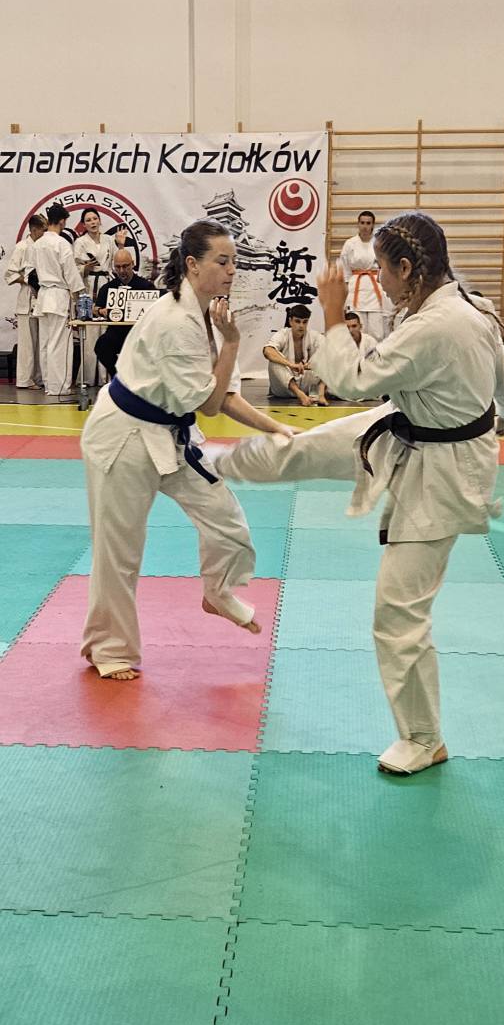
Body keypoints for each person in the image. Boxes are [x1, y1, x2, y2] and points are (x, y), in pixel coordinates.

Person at [203, 212, 504, 776]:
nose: (379, 281)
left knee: (397, 612)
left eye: (383, 270)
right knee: (301, 448)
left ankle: (423, 737)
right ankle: (211, 462)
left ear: (408, 268)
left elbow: (354, 380)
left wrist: (333, 312)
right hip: (407, 426)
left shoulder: (441, 323)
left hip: (443, 477)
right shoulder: (455, 308)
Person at [80, 218, 295, 681]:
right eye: (223, 261)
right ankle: (109, 648)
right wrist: (234, 343)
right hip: (123, 437)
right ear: (193, 265)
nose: (232, 270)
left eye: (234, 261)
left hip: (169, 433)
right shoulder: (177, 321)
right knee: (119, 550)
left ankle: (218, 590)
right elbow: (212, 405)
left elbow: (226, 395)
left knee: (227, 520)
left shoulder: (206, 312)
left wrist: (277, 428)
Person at [33, 203, 84, 397]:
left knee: (46, 344)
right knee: (59, 343)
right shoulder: (61, 243)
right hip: (58, 296)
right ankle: (59, 387)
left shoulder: (37, 244)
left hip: (43, 295)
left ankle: (48, 384)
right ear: (62, 221)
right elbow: (70, 273)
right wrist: (79, 294)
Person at [74, 208, 127, 385]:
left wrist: (121, 245)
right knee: (90, 332)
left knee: (106, 328)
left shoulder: (109, 240)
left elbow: (118, 262)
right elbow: (73, 268)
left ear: (99, 220)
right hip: (88, 285)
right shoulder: (80, 242)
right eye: (88, 220)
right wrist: (85, 268)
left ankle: (106, 377)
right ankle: (88, 377)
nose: (92, 222)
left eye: (95, 218)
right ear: (84, 224)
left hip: (106, 284)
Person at [92, 249, 157, 378]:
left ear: (133, 264)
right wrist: (100, 311)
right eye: (118, 267)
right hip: (116, 332)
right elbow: (95, 309)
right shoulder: (107, 288)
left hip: (139, 332)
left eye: (125, 266)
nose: (122, 271)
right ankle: (119, 377)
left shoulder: (146, 286)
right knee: (101, 346)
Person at [3, 213, 47, 387]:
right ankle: (24, 380)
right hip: (27, 298)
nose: (45, 233)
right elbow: (10, 274)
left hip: (41, 297)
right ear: (34, 230)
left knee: (39, 342)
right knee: (27, 343)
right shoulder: (22, 247)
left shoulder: (42, 247)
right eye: (43, 230)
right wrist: (29, 280)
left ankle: (38, 377)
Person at [339, 211, 393, 340]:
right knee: (357, 329)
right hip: (355, 288)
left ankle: (376, 352)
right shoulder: (350, 244)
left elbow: (386, 266)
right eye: (362, 223)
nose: (365, 226)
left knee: (377, 330)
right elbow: (345, 271)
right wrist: (344, 297)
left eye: (368, 223)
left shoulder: (379, 243)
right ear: (358, 224)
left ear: (373, 225)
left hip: (376, 288)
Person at [263, 304, 328, 406]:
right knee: (274, 362)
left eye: (305, 322)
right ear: (290, 321)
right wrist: (291, 365)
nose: (301, 325)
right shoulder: (283, 334)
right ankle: (300, 395)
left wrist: (313, 363)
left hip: (306, 385)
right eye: (297, 321)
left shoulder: (313, 335)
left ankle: (320, 394)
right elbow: (267, 351)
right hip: (283, 388)